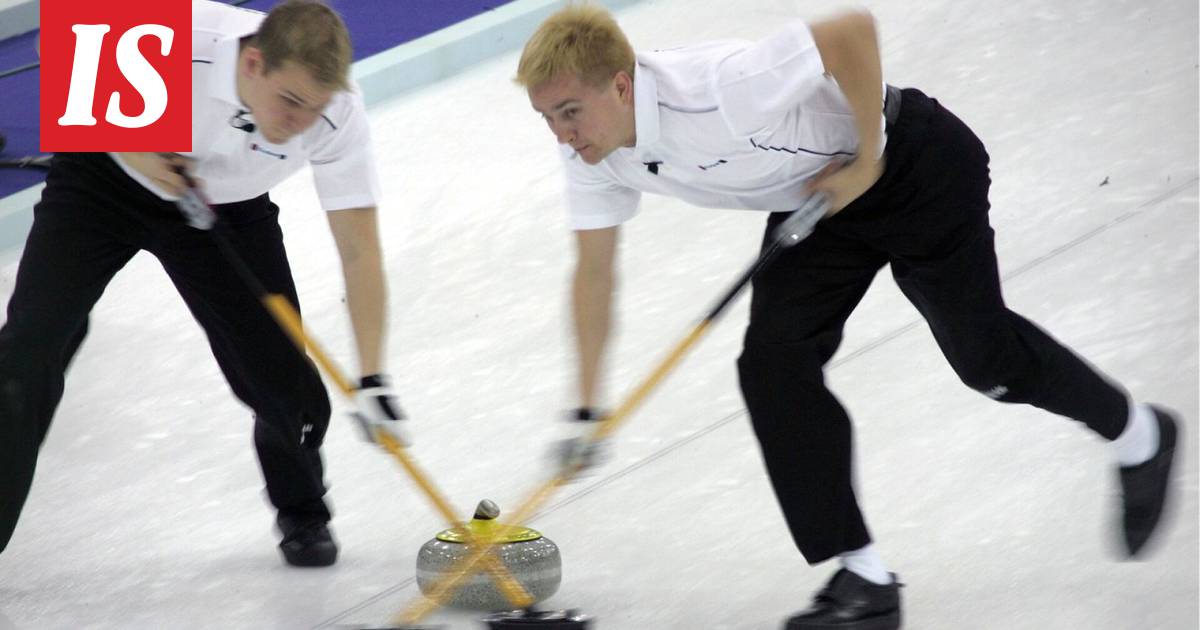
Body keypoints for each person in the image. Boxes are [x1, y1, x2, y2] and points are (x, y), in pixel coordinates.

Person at [515, 5, 1180, 628]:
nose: (563, 136)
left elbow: (849, 29)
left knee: (989, 364)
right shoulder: (594, 155)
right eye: (547, 118)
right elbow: (594, 273)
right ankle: (864, 581)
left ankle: (1140, 433)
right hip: (817, 200)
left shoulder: (718, 88)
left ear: (623, 88)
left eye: (570, 112)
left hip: (911, 164)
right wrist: (586, 409)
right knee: (773, 364)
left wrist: (868, 160)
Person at [0, 0, 407, 568]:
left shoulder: (337, 112)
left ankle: (303, 512)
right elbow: (57, 41)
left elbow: (360, 248)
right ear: (253, 63)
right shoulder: (178, 36)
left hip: (227, 210)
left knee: (289, 390)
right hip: (103, 182)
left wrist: (372, 376)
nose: (300, 123)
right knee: (28, 349)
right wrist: (134, 147)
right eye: (290, 102)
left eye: (314, 109)